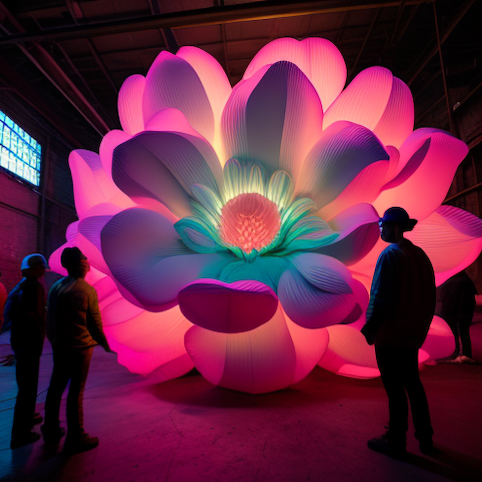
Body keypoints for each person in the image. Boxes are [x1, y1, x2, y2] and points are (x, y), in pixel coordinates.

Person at [361, 207, 436, 457]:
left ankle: (396, 439)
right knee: (413, 385)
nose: (381, 230)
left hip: (390, 335)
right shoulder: (420, 255)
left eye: (383, 226)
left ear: (394, 228)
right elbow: (430, 297)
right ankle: (425, 438)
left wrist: (371, 329)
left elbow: (383, 298)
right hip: (411, 335)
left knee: (394, 390)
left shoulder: (390, 256)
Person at [42, 247, 111, 453]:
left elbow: (50, 317)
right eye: (84, 260)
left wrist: (54, 339)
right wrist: (106, 345)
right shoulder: (86, 290)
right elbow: (94, 324)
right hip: (80, 347)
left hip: (60, 346)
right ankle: (76, 436)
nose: (87, 264)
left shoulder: (56, 287)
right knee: (75, 392)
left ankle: (51, 431)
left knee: (55, 389)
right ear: (79, 263)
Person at [4, 254, 48, 449]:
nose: (42, 273)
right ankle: (20, 434)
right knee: (27, 388)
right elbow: (32, 316)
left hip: (21, 343)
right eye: (41, 268)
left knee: (26, 386)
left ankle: (27, 418)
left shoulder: (21, 286)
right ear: (37, 268)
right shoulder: (32, 287)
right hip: (28, 344)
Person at [436, 270, 477, 363]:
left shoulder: (451, 282)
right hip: (463, 313)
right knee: (464, 333)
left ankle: (455, 353)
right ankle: (466, 354)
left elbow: (448, 299)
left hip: (453, 313)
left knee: (456, 333)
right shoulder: (466, 281)